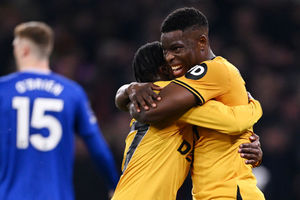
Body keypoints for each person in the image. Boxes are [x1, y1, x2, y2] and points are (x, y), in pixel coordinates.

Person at [122, 8, 265, 200]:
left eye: (177, 48)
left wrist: (128, 91)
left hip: (230, 192)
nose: (169, 57)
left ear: (202, 42)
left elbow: (234, 125)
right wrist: (254, 108)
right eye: (165, 51)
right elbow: (233, 122)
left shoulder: (212, 71)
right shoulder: (182, 101)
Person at [0, 21, 118, 200]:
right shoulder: (72, 92)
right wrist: (113, 185)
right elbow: (98, 147)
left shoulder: (3, 90)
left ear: (24, 50)